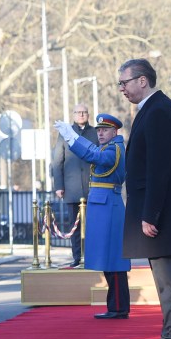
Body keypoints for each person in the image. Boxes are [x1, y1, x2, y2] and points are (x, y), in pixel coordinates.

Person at [117, 58, 171, 339]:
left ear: (142, 80)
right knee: (165, 281)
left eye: (124, 82)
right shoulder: (152, 109)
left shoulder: (159, 110)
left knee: (170, 281)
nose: (122, 89)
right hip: (159, 214)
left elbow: (159, 169)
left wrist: (150, 214)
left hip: (162, 216)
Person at [55, 113, 131, 319]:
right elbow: (93, 152)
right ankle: (115, 306)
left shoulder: (114, 149)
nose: (100, 133)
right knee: (108, 260)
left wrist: (72, 138)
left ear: (115, 132)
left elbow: (93, 156)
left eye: (105, 130)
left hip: (108, 206)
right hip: (103, 205)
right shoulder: (109, 148)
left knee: (113, 260)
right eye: (98, 130)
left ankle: (118, 308)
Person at [50, 104, 98, 268]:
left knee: (93, 225)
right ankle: (77, 257)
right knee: (74, 226)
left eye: (84, 112)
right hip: (72, 188)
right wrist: (59, 186)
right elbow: (57, 161)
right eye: (78, 112)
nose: (81, 115)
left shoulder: (95, 132)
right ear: (73, 115)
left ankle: (92, 257)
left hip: (93, 187)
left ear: (88, 114)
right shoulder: (65, 133)